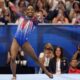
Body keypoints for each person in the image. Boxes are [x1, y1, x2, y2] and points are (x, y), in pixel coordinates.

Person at [6, 0, 53, 80]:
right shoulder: (21, 16)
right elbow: (14, 9)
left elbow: (42, 18)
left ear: (34, 12)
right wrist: (9, 3)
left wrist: (41, 14)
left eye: (32, 10)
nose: (30, 11)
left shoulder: (35, 21)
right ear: (26, 11)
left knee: (35, 58)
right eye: (29, 9)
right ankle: (14, 76)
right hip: (16, 39)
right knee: (13, 57)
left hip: (24, 42)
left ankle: (46, 72)